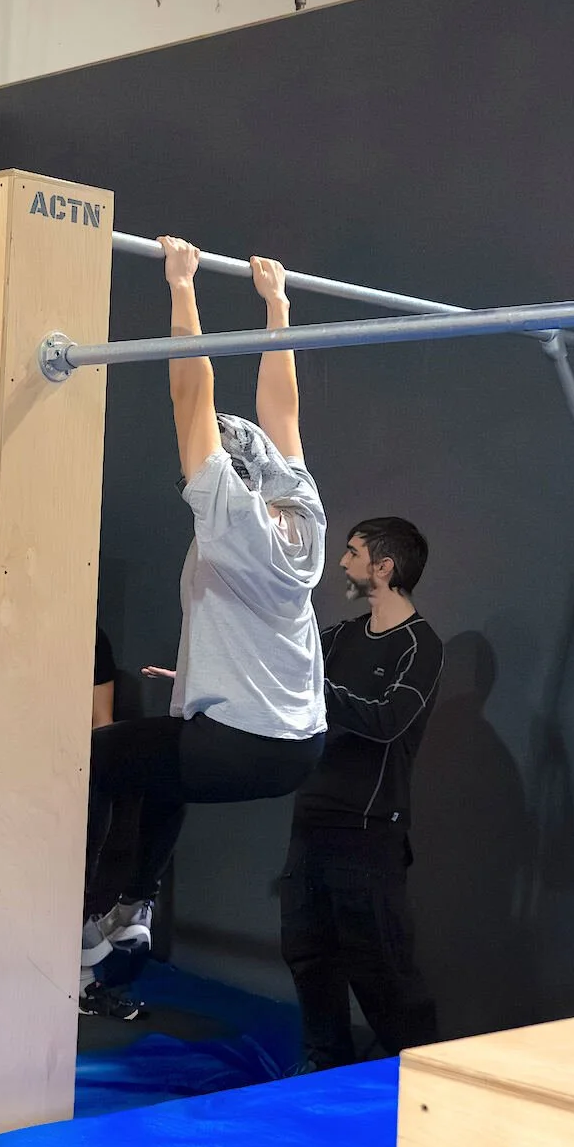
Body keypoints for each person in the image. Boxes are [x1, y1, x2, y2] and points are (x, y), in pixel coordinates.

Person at [79, 238, 328, 1019]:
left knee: (94, 762)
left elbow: (191, 393)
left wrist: (182, 287)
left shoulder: (229, 518)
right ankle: (136, 905)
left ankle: (89, 921)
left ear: (223, 472)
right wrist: (276, 306)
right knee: (167, 748)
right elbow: (280, 408)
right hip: (296, 747)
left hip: (243, 745)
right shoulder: (304, 510)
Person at [282, 517, 443, 1071]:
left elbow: (388, 720)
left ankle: (420, 1073)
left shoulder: (420, 646)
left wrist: (316, 691)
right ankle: (322, 1060)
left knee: (380, 965)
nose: (343, 563)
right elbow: (286, 674)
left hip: (369, 830)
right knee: (308, 952)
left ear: (384, 567)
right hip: (314, 819)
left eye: (353, 553)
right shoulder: (341, 635)